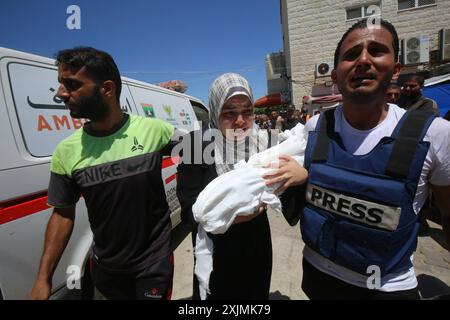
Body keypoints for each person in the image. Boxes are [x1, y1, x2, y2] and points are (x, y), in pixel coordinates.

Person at [269, 19, 450, 300]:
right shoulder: (315, 127)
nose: (363, 60)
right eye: (351, 55)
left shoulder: (436, 135)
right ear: (336, 75)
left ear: (396, 70)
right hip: (318, 278)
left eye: (376, 51)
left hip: (387, 287)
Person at [30, 47, 176, 300]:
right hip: (106, 270)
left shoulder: (156, 131)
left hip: (153, 266)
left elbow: (206, 149)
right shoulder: (66, 152)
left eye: (71, 84)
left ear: (107, 89)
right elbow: (63, 213)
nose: (61, 93)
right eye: (61, 84)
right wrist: (43, 279)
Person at [176, 73, 307, 300]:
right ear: (215, 112)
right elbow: (188, 209)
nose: (240, 121)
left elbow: (286, 197)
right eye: (229, 113)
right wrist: (227, 219)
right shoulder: (195, 146)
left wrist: (300, 176)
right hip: (217, 251)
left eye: (247, 111)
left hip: (255, 245)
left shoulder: (264, 143)